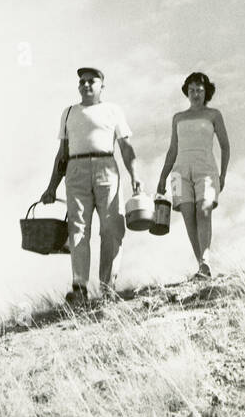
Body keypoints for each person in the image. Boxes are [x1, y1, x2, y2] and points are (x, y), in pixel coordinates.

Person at [41, 67, 141, 307]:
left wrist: (135, 176)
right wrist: (51, 187)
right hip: (75, 170)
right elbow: (62, 154)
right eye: (82, 81)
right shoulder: (68, 113)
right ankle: (79, 289)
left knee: (111, 228)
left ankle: (108, 287)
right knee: (78, 229)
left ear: (101, 86)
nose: (86, 85)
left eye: (92, 81)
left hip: (106, 166)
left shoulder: (113, 110)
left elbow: (126, 147)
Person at [156, 72, 229, 278]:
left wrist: (223, 175)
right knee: (189, 216)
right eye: (191, 90)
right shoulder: (178, 117)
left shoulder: (214, 114)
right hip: (179, 172)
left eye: (199, 89)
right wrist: (162, 177)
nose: (195, 93)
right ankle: (202, 267)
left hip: (205, 167)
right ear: (186, 92)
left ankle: (205, 262)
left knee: (204, 210)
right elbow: (172, 149)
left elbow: (225, 145)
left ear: (206, 92)